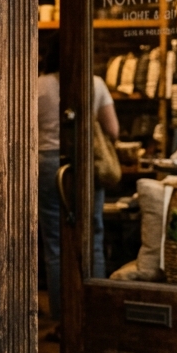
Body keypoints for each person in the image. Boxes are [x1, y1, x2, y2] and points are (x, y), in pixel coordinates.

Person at [37, 36, 117, 321]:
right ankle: (96, 313)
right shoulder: (95, 83)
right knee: (93, 234)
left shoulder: (37, 85)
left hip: (47, 163)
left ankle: (63, 317)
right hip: (86, 161)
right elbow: (113, 130)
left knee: (55, 242)